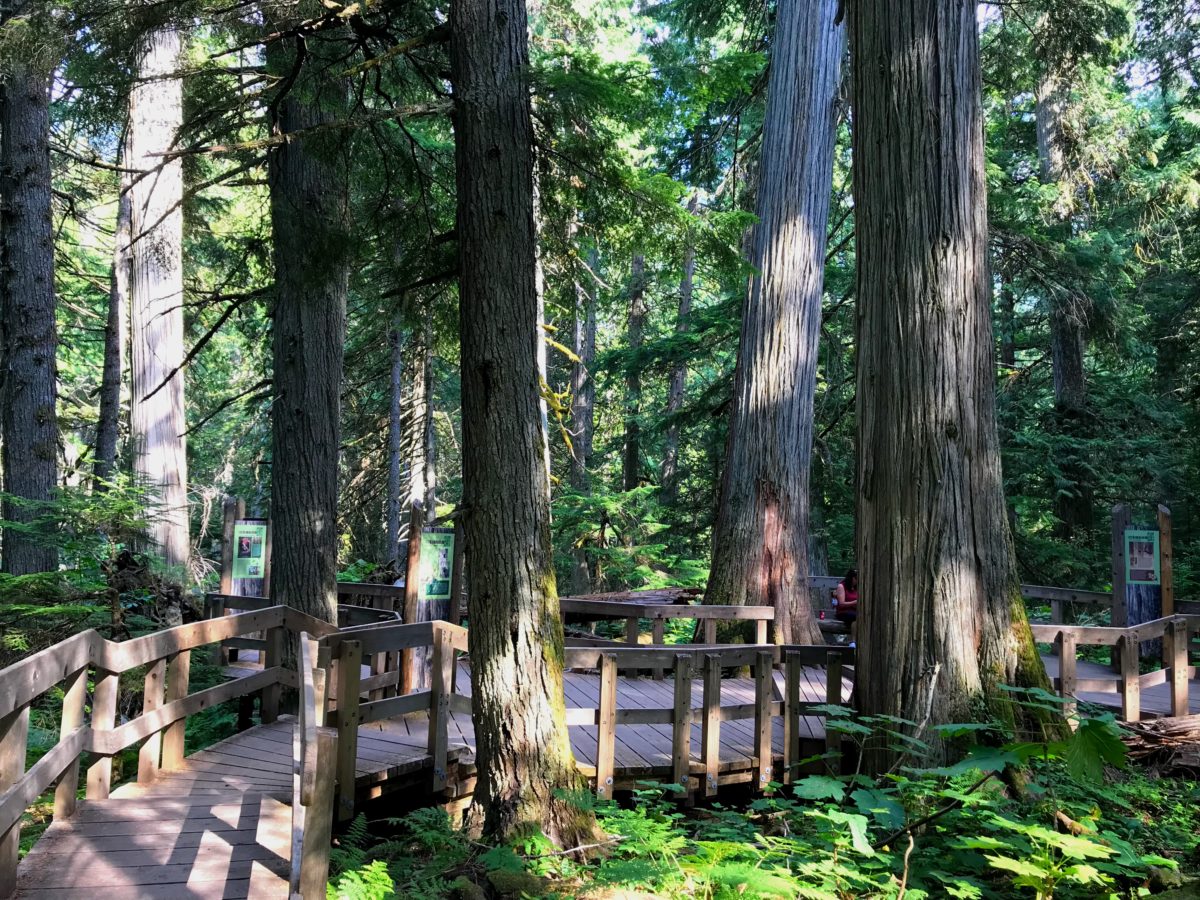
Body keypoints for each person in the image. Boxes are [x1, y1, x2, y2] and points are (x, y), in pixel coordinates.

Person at [832, 568, 858, 646]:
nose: (857, 581)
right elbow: (841, 603)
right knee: (856, 617)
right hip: (843, 612)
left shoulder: (857, 587)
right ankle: (853, 641)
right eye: (856, 578)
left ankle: (854, 641)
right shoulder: (841, 586)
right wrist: (855, 602)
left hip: (854, 611)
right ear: (852, 578)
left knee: (858, 618)